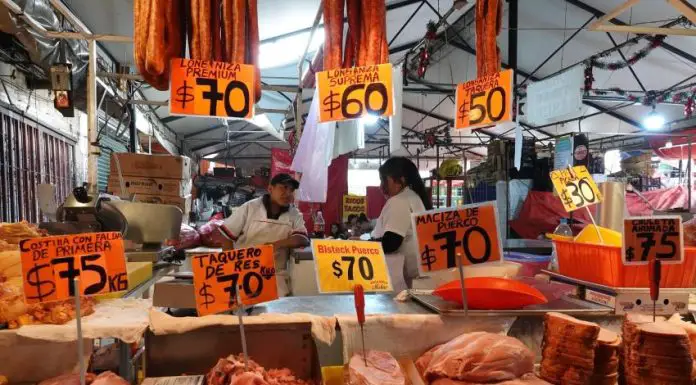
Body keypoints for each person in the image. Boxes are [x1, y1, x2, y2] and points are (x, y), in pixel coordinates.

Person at [219, 173, 309, 296]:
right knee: (241, 312)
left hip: (275, 275)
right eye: (283, 187)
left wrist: (275, 245)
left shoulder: (294, 214)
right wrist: (230, 267)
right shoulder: (250, 208)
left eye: (291, 190)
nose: (288, 193)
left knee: (276, 312)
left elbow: (302, 238)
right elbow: (226, 236)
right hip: (243, 272)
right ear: (270, 189)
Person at [371, 157, 432, 289]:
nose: (381, 186)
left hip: (402, 281)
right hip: (415, 279)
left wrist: (362, 246)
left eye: (384, 180)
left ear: (400, 181)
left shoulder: (400, 201)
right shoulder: (413, 197)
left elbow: (391, 243)